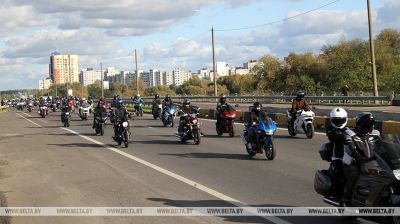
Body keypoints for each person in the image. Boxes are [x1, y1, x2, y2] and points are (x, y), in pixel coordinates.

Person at [342, 112, 381, 204]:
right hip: (353, 161)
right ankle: (346, 199)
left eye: (371, 123)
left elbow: (384, 146)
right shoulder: (350, 133)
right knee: (355, 175)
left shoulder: (375, 134)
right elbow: (352, 148)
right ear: (360, 124)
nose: (369, 126)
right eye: (367, 123)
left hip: (370, 161)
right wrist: (358, 158)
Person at [325, 107, 349, 202]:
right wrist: (343, 136)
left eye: (341, 120)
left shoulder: (348, 130)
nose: (338, 123)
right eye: (336, 120)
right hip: (337, 157)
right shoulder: (330, 129)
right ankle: (339, 198)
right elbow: (333, 137)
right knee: (338, 173)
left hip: (350, 156)